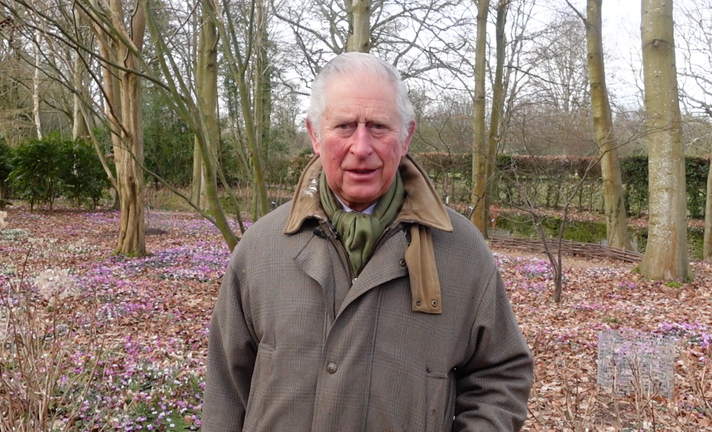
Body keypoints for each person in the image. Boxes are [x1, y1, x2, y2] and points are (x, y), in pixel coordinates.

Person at [202, 52, 534, 432]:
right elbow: (226, 391)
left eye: (378, 126)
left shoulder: (461, 252)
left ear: (406, 136)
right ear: (314, 134)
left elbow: (501, 376)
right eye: (344, 126)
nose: (361, 147)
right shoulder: (261, 249)